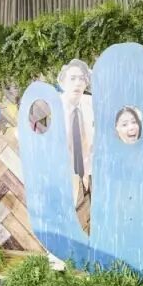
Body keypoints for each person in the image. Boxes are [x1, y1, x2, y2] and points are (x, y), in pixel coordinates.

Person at [58, 59, 94, 195]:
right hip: (64, 176)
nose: (78, 83)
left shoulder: (93, 103)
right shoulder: (53, 107)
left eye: (82, 79)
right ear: (63, 82)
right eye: (72, 78)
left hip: (94, 172)